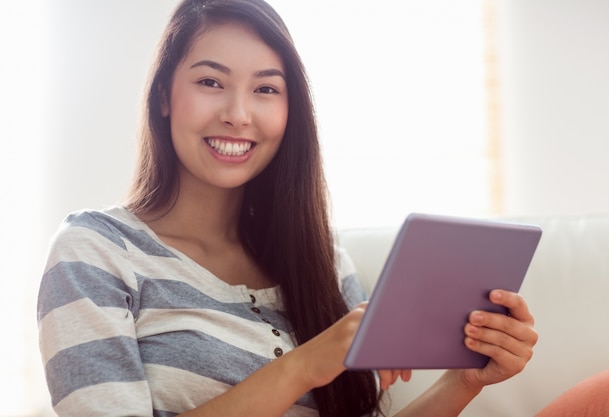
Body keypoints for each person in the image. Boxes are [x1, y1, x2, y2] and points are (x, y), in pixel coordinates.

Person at [36, 1, 541, 416]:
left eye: (266, 89)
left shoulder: (323, 263)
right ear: (164, 95)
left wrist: (463, 382)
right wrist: (301, 367)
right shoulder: (94, 253)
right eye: (210, 82)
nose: (237, 114)